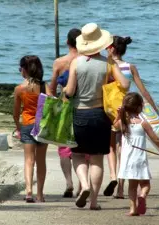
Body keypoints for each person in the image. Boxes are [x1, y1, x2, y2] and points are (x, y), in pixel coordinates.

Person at [64, 23, 130, 210]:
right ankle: (93, 201)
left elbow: (69, 91)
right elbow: (124, 84)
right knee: (97, 159)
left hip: (79, 114)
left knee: (77, 154)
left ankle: (83, 185)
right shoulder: (108, 62)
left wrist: (66, 93)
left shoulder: (76, 62)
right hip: (100, 115)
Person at [105, 36, 159, 198]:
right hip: (127, 110)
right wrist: (155, 109)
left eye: (107, 47)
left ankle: (114, 176)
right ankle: (121, 188)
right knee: (123, 147)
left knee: (111, 147)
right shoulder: (130, 67)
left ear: (112, 48)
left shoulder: (107, 66)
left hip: (109, 110)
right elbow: (143, 91)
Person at [113, 92, 159, 216]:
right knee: (145, 184)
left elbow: (114, 126)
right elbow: (155, 139)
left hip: (127, 160)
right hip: (140, 159)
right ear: (140, 107)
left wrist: (119, 115)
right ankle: (143, 195)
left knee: (132, 186)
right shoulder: (143, 123)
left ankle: (133, 209)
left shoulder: (123, 123)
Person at [13, 55, 52, 203]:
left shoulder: (19, 89)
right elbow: (52, 103)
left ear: (24, 70)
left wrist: (18, 128)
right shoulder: (44, 86)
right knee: (41, 161)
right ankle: (40, 194)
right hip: (42, 125)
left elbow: (15, 114)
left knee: (29, 160)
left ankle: (29, 191)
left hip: (27, 124)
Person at [50, 28, 83, 198]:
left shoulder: (59, 62)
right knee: (82, 149)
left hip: (64, 105)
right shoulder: (85, 60)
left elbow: (51, 89)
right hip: (82, 106)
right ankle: (81, 185)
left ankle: (69, 182)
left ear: (67, 42)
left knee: (64, 148)